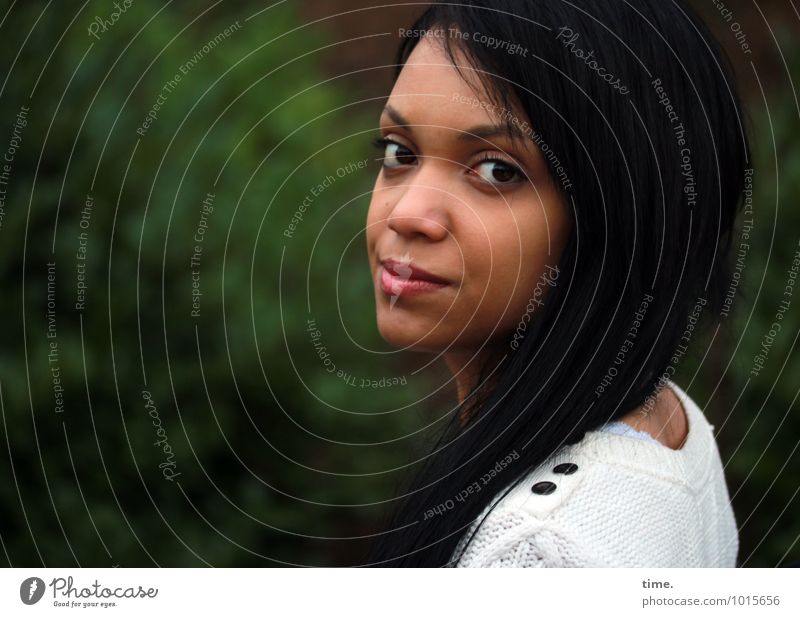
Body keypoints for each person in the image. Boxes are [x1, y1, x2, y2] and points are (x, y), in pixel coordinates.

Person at [365, 0, 749, 567]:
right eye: (401, 153)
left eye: (498, 170)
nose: (408, 213)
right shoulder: (661, 416)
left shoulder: (539, 552)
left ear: (622, 211)